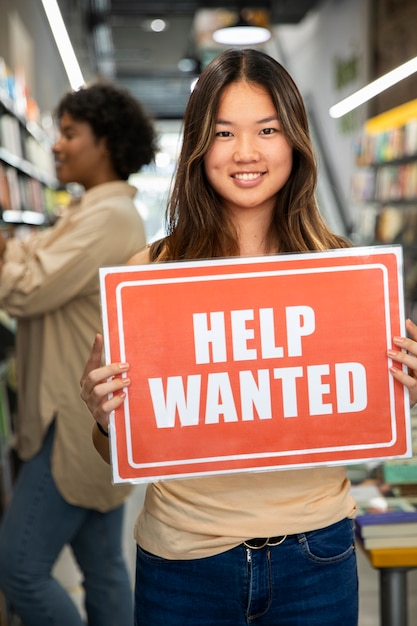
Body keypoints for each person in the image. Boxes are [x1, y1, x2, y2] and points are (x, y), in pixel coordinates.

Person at [80, 49, 417, 626]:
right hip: (182, 561)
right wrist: (107, 417)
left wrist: (400, 388)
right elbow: (119, 453)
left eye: (267, 130)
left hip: (316, 553)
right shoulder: (148, 276)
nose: (245, 153)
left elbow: (365, 417)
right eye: (222, 133)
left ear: (295, 142)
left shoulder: (345, 275)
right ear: (196, 148)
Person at [0, 81, 157, 626]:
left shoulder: (108, 216)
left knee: (19, 569)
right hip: (82, 416)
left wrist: (11, 255)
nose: (58, 146)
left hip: (66, 419)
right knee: (105, 568)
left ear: (105, 142)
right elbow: (27, 260)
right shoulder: (88, 210)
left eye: (70, 134)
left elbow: (24, 285)